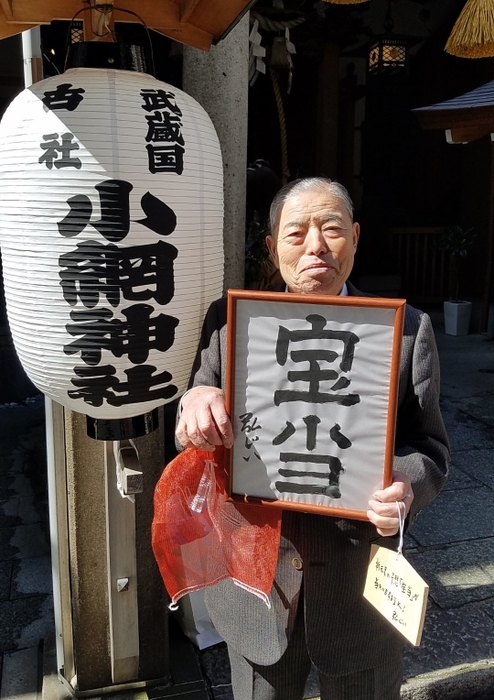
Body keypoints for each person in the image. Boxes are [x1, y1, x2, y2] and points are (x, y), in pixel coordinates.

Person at [176, 177, 450, 700]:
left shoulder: (408, 329)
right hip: (258, 586)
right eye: (296, 232)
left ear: (356, 236)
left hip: (357, 590)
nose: (316, 246)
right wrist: (193, 403)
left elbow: (429, 446)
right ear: (272, 245)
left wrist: (407, 485)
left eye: (332, 229)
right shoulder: (229, 322)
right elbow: (196, 405)